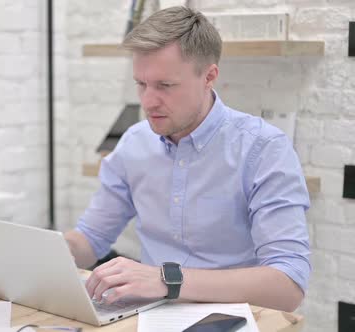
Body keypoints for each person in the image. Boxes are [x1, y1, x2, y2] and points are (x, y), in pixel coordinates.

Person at [64, 6, 310, 312]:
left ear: (209, 76)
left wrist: (167, 281)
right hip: (148, 316)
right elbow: (90, 240)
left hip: (231, 319)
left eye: (165, 85)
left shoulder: (263, 149)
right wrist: (43, 255)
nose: (148, 101)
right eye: (141, 83)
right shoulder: (134, 143)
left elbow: (288, 285)